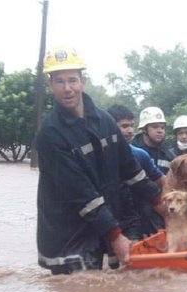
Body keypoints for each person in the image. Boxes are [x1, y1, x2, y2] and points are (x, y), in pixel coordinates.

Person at [35, 47, 160, 275]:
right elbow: (82, 194)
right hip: (68, 234)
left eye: (72, 80)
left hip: (101, 224)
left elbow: (130, 170)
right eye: (60, 82)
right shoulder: (50, 134)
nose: (67, 89)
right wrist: (116, 235)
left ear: (84, 81)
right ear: (50, 85)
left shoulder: (104, 120)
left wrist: (159, 200)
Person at [107, 104, 166, 240]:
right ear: (109, 126)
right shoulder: (97, 157)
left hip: (140, 223)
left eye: (131, 126)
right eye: (124, 126)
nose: (130, 131)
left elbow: (163, 182)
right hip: (108, 223)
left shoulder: (140, 155)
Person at [131, 107, 175, 175]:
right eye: (155, 127)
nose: (160, 131)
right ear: (144, 129)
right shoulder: (132, 151)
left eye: (162, 127)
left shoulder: (169, 155)